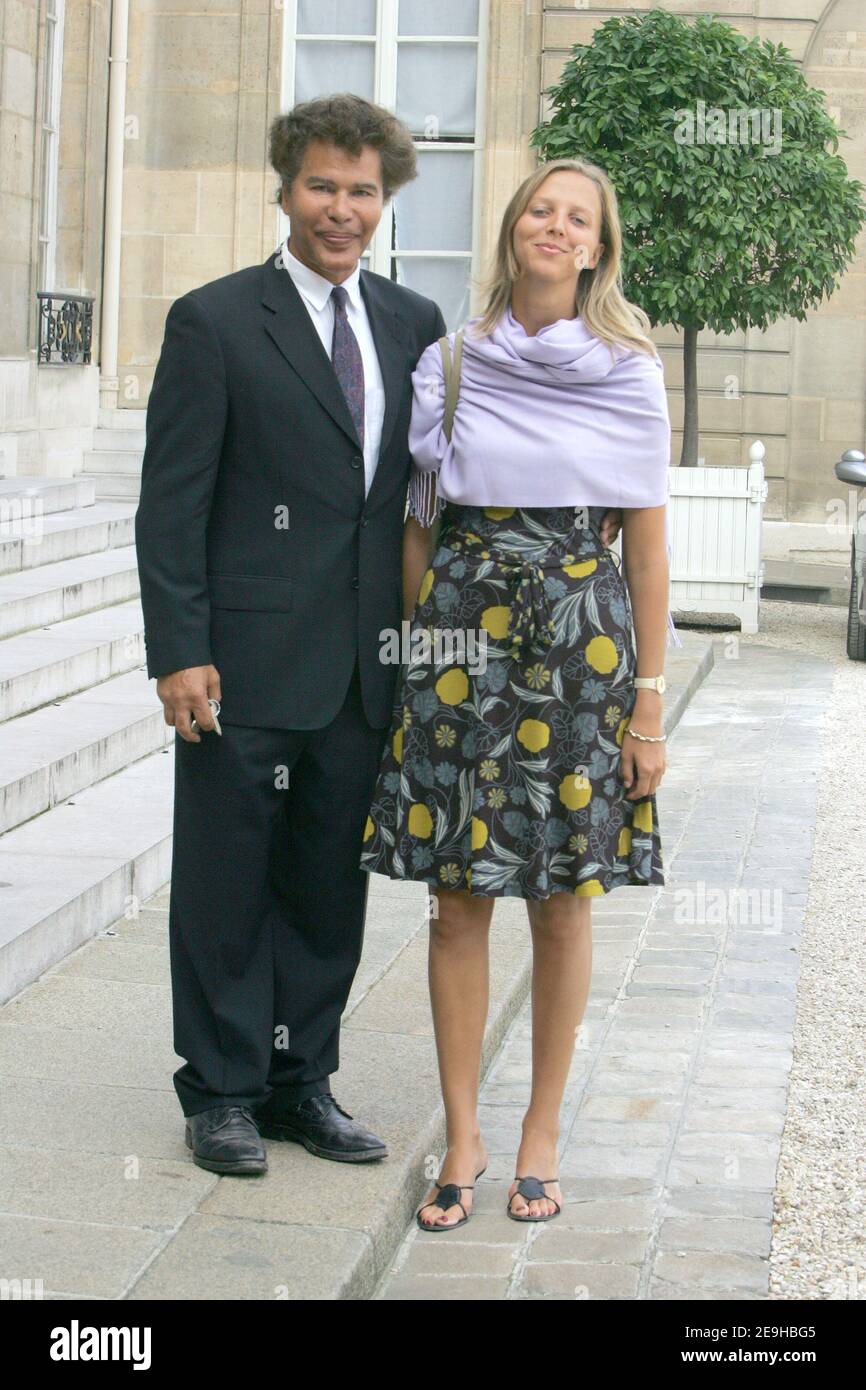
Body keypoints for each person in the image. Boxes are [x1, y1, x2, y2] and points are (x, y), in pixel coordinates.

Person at [134, 93, 452, 1175]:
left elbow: (418, 493)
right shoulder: (214, 321)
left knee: (326, 882)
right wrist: (178, 648)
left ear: (384, 200)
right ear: (283, 189)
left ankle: (297, 1080)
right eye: (321, 185)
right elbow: (170, 504)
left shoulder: (414, 326)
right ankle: (218, 1089)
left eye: (361, 190)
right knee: (227, 878)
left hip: (364, 671)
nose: (341, 208)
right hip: (243, 664)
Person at [359, 158, 679, 1227]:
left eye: (575, 217)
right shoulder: (450, 363)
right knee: (456, 904)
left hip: (579, 656)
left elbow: (643, 545)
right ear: (511, 232)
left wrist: (648, 702)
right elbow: (417, 524)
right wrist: (421, 657)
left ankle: (540, 1130)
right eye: (538, 209)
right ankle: (463, 1133)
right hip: (460, 648)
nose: (553, 226)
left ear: (596, 247)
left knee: (560, 902)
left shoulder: (626, 369)